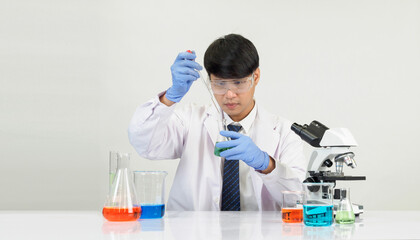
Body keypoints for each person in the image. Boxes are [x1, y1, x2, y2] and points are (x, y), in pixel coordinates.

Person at [128, 34, 306, 211]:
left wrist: (266, 164)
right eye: (220, 83)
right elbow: (145, 143)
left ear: (256, 77)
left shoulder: (284, 132)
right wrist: (170, 97)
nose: (229, 94)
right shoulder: (190, 120)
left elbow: (299, 199)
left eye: (238, 83)